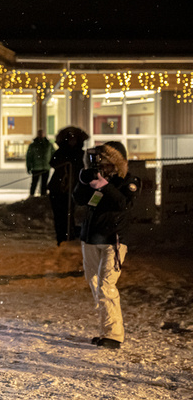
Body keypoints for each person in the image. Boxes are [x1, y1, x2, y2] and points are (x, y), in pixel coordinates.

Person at [72, 141, 139, 350]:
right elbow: (78, 199)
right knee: (94, 282)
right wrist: (84, 181)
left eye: (107, 163)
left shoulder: (128, 181)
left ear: (116, 163)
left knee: (106, 286)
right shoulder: (97, 178)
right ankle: (106, 330)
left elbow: (123, 203)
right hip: (91, 238)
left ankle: (114, 335)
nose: (103, 168)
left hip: (114, 240)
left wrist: (105, 186)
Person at [48, 126, 89, 245]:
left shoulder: (80, 153)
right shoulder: (61, 152)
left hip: (72, 188)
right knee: (59, 214)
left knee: (68, 213)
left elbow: (83, 167)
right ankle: (61, 238)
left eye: (74, 138)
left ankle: (68, 236)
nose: (72, 141)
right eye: (70, 138)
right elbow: (53, 163)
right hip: (58, 188)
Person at [26, 129, 55, 196]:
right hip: (36, 167)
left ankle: (43, 196)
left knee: (44, 184)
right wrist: (29, 167)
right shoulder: (33, 145)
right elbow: (29, 157)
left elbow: (53, 154)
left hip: (46, 167)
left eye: (41, 133)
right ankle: (31, 196)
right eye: (39, 133)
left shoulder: (48, 144)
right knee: (34, 183)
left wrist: (53, 164)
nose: (40, 135)